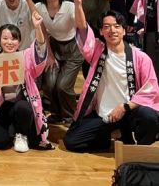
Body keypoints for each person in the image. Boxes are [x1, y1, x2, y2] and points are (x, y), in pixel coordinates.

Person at [63, 8, 159, 152]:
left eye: (116, 26)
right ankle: (112, 135)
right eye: (107, 27)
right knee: (71, 142)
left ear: (124, 31)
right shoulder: (97, 51)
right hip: (104, 115)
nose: (112, 30)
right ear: (101, 32)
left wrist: (125, 107)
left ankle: (139, 149)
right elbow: (82, 29)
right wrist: (77, 3)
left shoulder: (140, 58)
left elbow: (151, 89)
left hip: (129, 112)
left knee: (149, 117)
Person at [0, 14, 53, 152]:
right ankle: (12, 129)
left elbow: (40, 50)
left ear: (19, 41)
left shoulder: (25, 57)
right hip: (1, 108)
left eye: (14, 38)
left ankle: (21, 134)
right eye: (5, 38)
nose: (9, 42)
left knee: (23, 107)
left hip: (21, 105)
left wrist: (37, 28)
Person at [36, 0, 84, 124]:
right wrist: (49, 55)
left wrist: (78, 4)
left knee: (63, 85)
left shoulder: (69, 6)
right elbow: (43, 32)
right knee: (49, 84)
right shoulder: (39, 7)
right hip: (53, 47)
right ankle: (56, 113)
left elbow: (82, 26)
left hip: (73, 49)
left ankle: (70, 117)